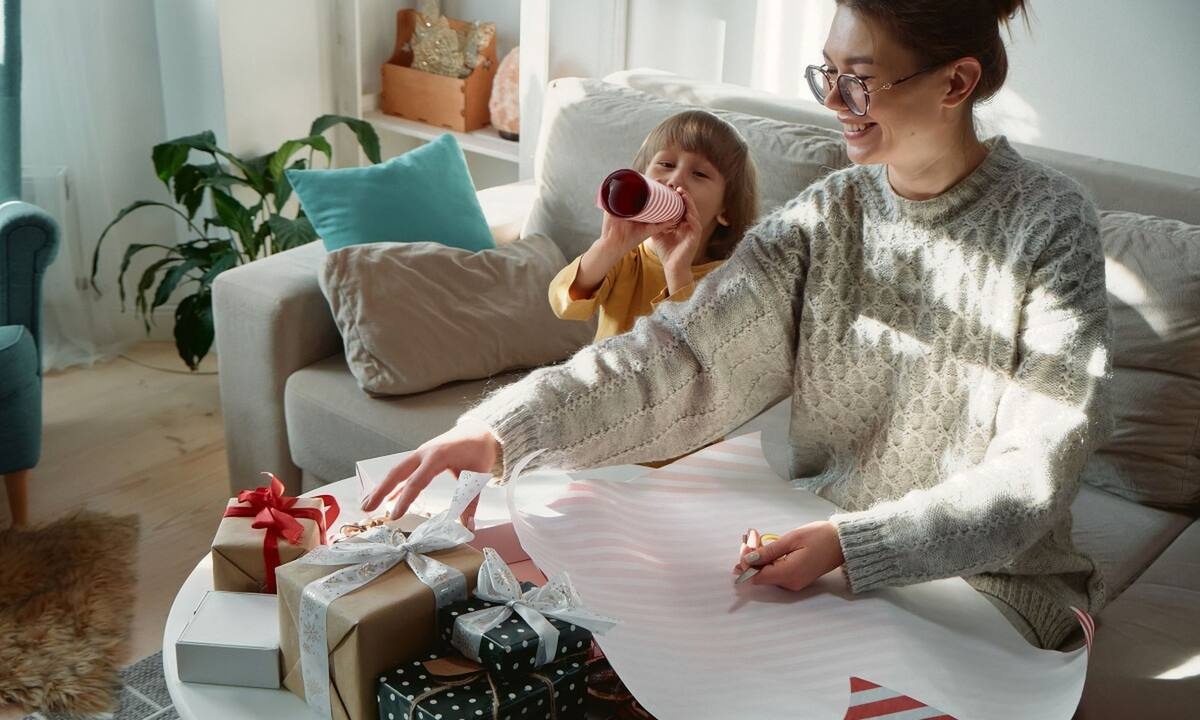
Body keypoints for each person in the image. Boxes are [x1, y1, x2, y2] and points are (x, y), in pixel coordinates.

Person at [363, 0, 1111, 652]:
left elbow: (1033, 474)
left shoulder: (1049, 223)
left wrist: (853, 545)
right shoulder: (825, 217)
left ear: (957, 82)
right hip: (822, 557)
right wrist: (504, 429)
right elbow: (684, 355)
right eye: (827, 74)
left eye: (861, 79)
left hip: (990, 588)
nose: (836, 101)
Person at [549, 110, 759, 342]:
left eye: (699, 174)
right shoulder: (625, 257)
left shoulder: (728, 278)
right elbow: (564, 305)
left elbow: (700, 350)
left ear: (726, 210)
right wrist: (609, 246)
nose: (675, 180)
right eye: (666, 164)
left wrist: (677, 271)